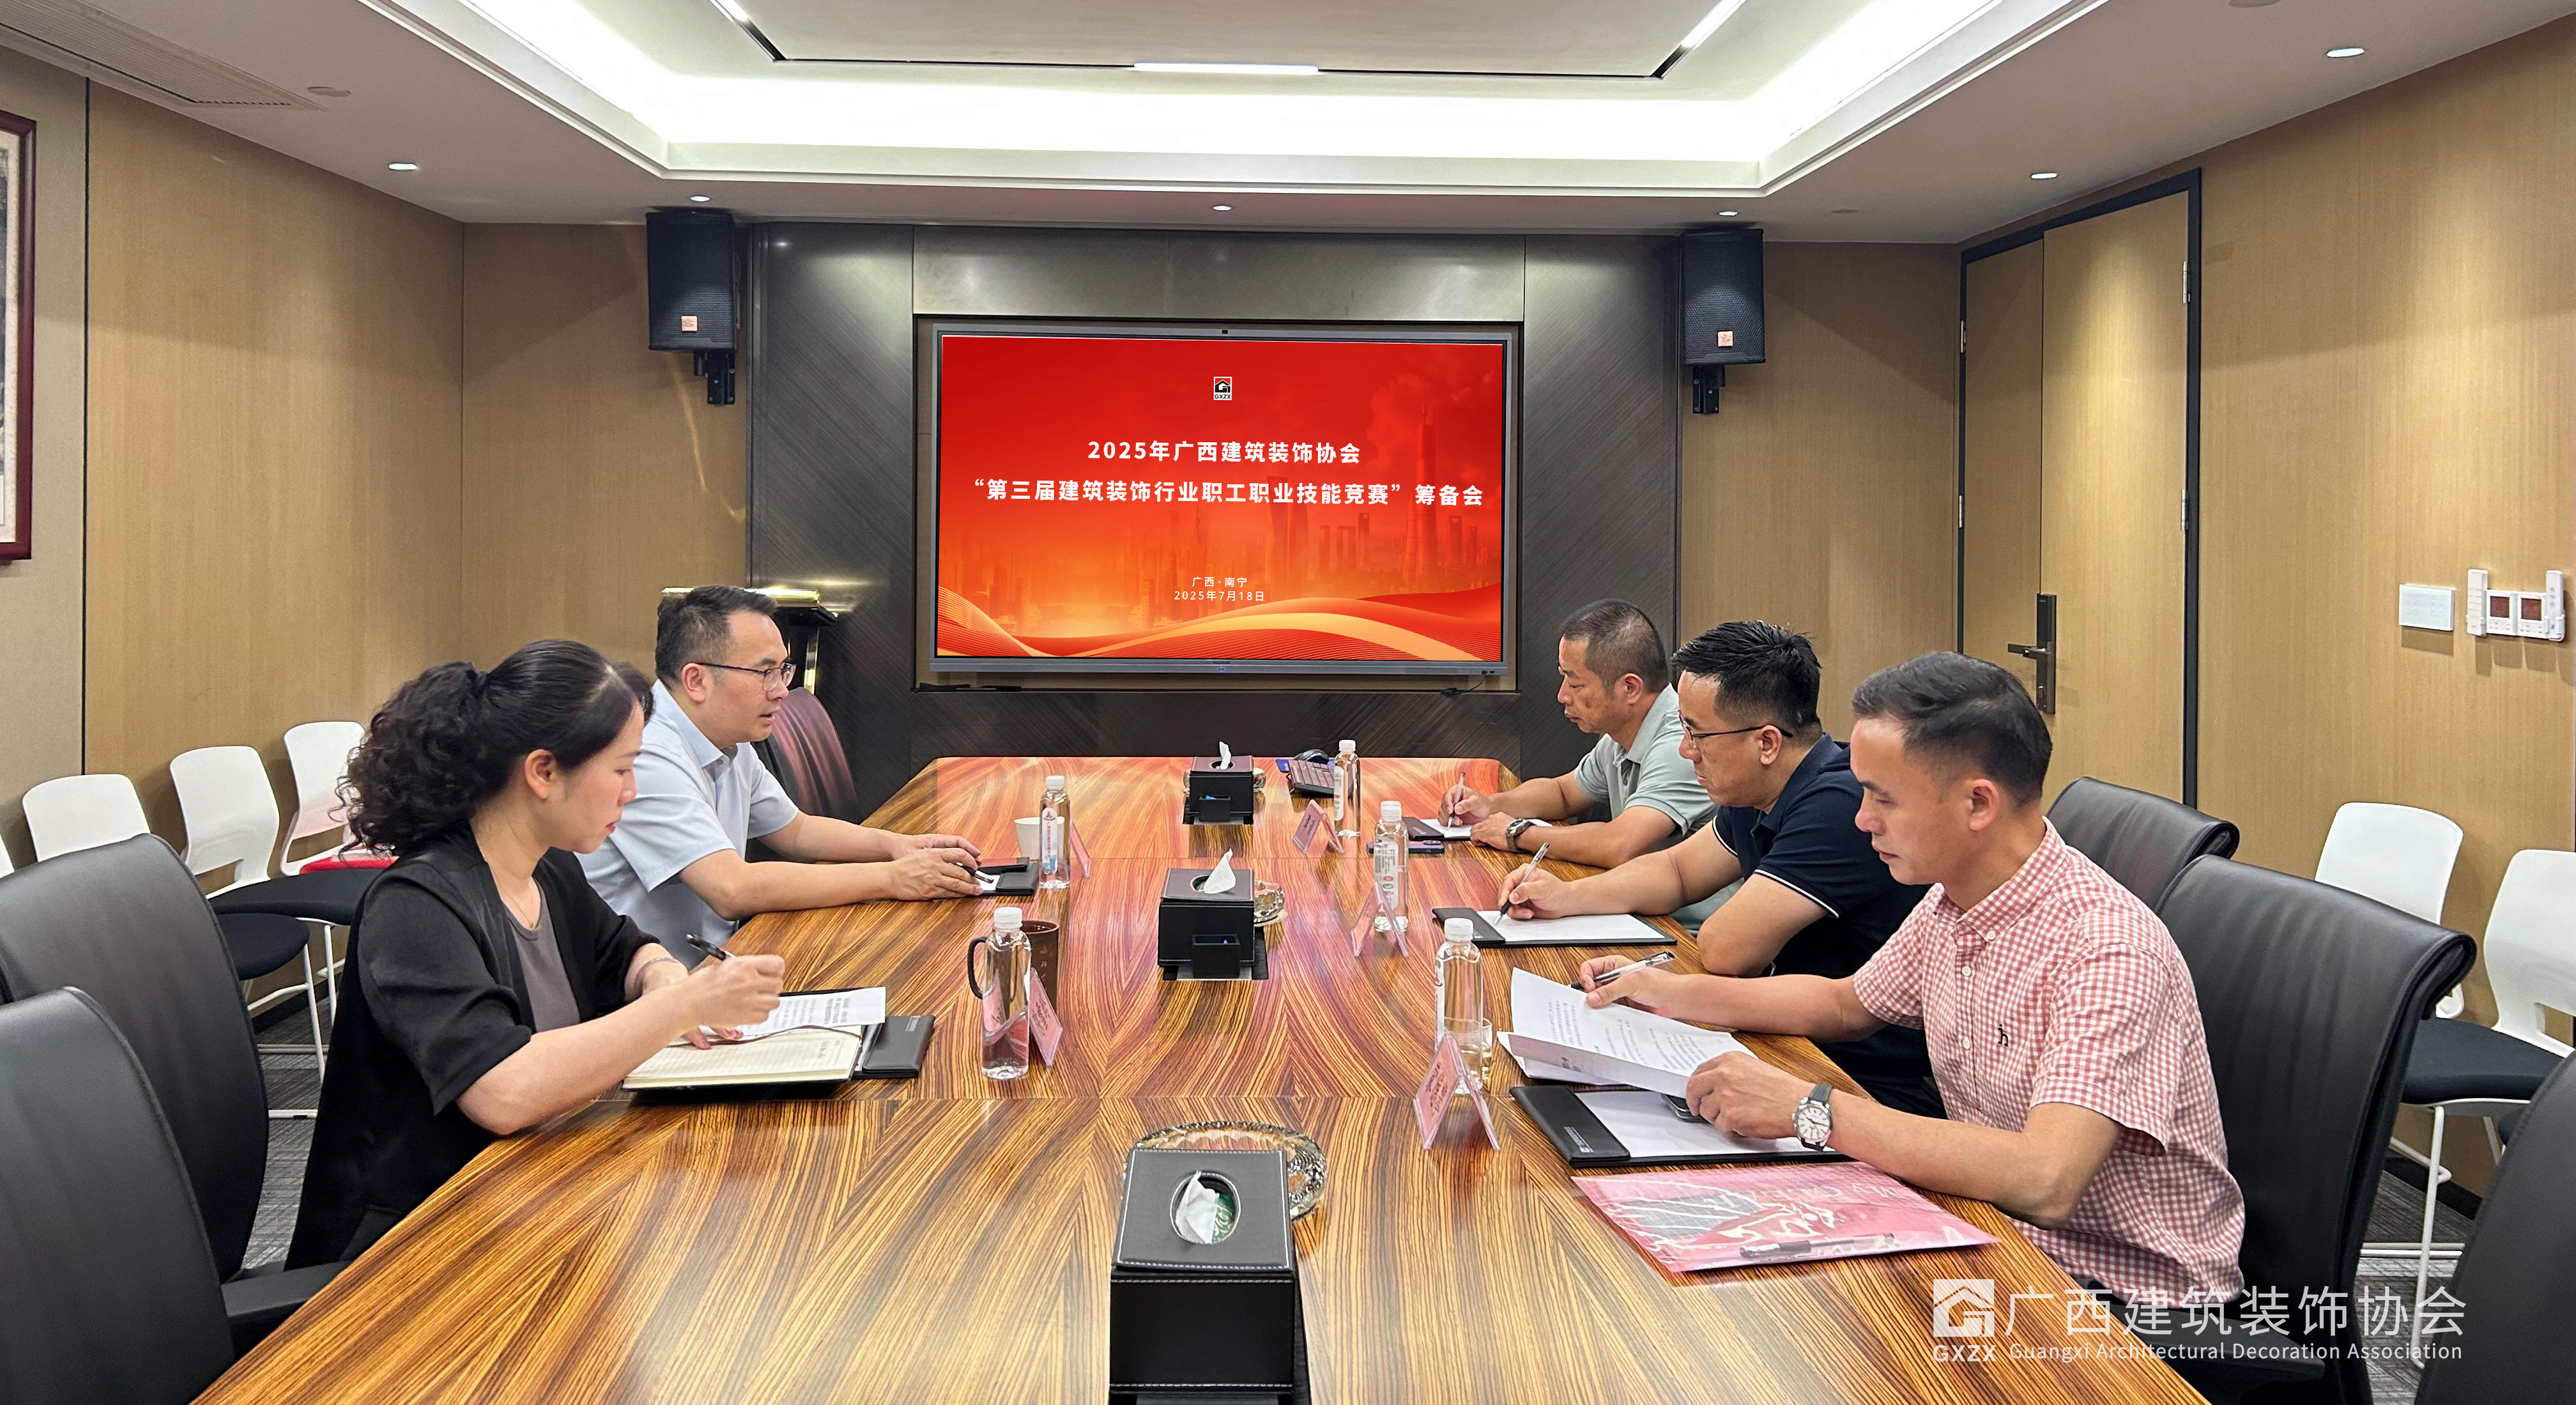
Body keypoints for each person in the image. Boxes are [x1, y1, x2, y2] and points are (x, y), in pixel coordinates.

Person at [1585, 653, 2243, 1307]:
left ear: (1977, 803)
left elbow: (2045, 1178)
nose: (1862, 819)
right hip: (1991, 1230)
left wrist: (1810, 1108)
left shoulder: (2106, 949)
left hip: (2123, 1299)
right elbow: (1846, 1003)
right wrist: (1669, 992)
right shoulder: (1954, 899)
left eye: (1883, 798)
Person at [289, 641, 787, 1267]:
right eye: (621, 769)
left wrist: (662, 976)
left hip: (527, 1199)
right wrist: (684, 1004)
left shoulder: (549, 869)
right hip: (410, 1252)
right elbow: (504, 1091)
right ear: (544, 772)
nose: (631, 792)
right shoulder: (416, 904)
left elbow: (628, 952)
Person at [1501, 622, 1940, 1116]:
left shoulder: (1837, 804)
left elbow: (1726, 948)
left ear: (1767, 743)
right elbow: (1677, 871)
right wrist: (1566, 897)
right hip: (1785, 1040)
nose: (1685, 749)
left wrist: (1666, 987)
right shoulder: (1757, 789)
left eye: (1698, 733)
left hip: (1854, 1079)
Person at [582, 586, 984, 952]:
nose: (781, 691)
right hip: (653, 985)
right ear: (696, 680)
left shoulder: (726, 736)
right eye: (765, 673)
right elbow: (732, 888)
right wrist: (894, 878)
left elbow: (796, 830)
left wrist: (899, 847)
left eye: (783, 671)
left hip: (719, 963)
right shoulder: (647, 752)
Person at [1443, 599, 1712, 869]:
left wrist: (1517, 833)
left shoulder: (1680, 744)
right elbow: (1563, 794)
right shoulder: (1622, 733)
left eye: (1575, 683)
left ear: (1630, 688)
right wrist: (1488, 806)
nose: (1563, 696)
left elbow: (1620, 844)